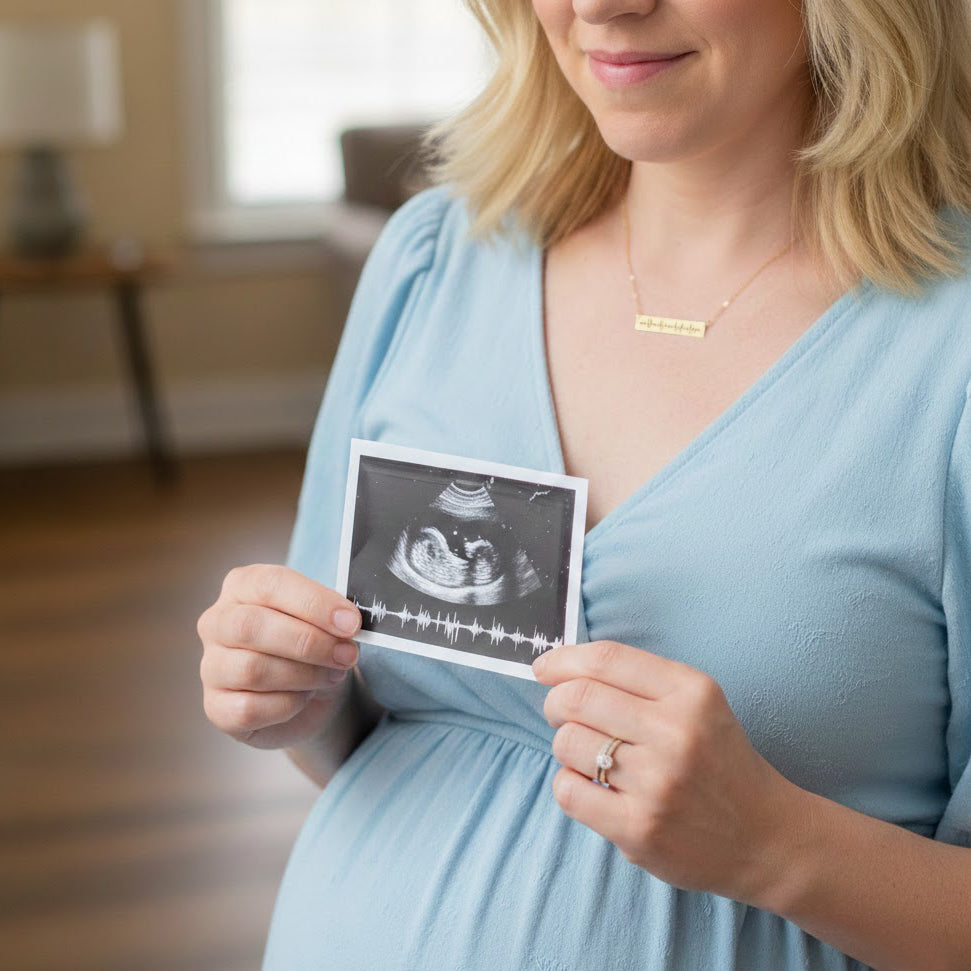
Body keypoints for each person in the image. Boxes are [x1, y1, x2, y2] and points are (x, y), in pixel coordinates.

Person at [197, 0, 971, 967]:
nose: (601, 6)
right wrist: (295, 703)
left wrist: (776, 847)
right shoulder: (433, 259)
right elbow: (368, 728)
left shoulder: (950, 352)